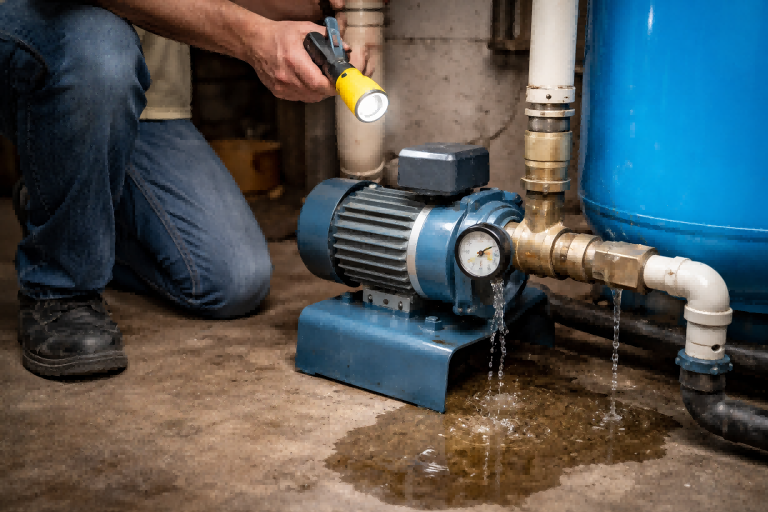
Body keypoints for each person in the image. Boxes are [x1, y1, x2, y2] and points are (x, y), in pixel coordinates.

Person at [0, 0, 372, 378]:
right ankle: (60, 287)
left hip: (143, 97)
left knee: (234, 280)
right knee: (97, 43)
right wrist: (254, 39)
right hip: (51, 48)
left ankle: (64, 198)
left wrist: (326, 5)